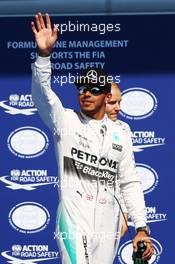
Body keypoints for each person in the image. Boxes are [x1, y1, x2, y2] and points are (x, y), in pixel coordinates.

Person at [31, 13, 153, 264]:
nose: (86, 93)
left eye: (94, 89)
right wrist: (44, 56)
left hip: (107, 226)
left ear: (107, 96)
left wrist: (141, 227)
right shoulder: (65, 120)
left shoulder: (121, 133)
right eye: (81, 88)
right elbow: (43, 96)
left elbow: (129, 181)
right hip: (74, 222)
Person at [106, 82, 131, 238]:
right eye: (112, 103)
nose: (118, 108)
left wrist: (124, 211)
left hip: (111, 211)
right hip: (80, 213)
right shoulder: (76, 125)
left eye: (119, 102)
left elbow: (122, 176)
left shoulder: (123, 129)